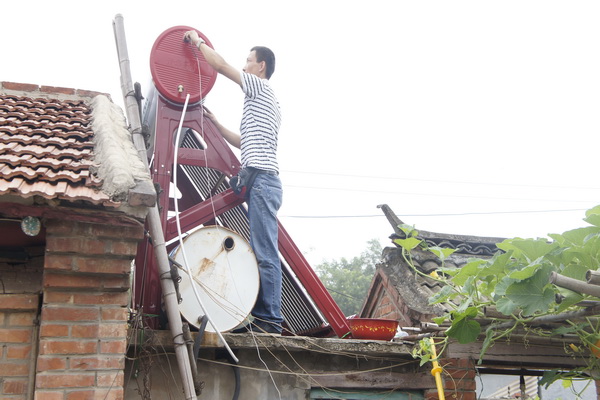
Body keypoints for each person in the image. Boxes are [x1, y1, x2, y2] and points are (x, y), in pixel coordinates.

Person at [184, 30, 284, 334]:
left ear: (261, 66)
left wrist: (197, 43)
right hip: (260, 180)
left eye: (249, 60)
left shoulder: (259, 87)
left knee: (265, 252)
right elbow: (245, 142)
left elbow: (221, 65)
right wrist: (217, 125)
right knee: (259, 249)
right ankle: (264, 316)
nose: (244, 65)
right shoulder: (267, 104)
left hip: (263, 181)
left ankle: (271, 321)